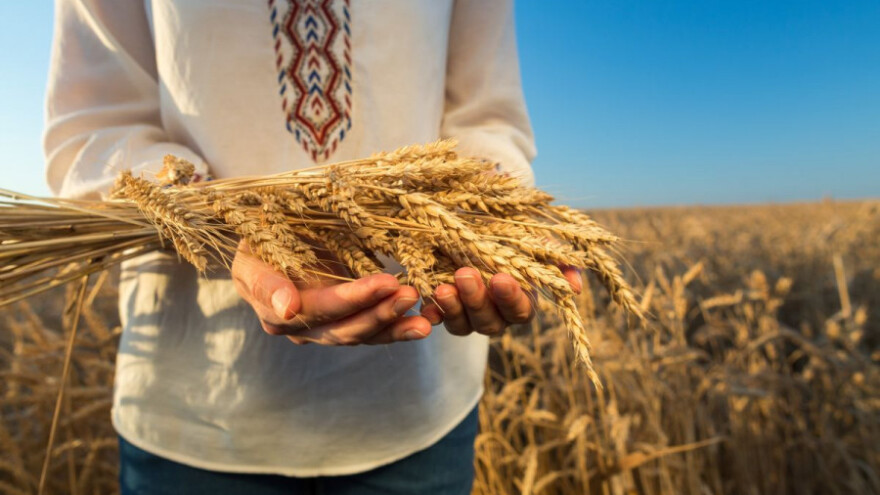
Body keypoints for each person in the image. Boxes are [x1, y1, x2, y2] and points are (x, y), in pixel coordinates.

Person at [45, 0, 579, 493]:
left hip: (419, 405)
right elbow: (88, 130)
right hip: (198, 410)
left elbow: (487, 118)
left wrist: (490, 218)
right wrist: (220, 223)